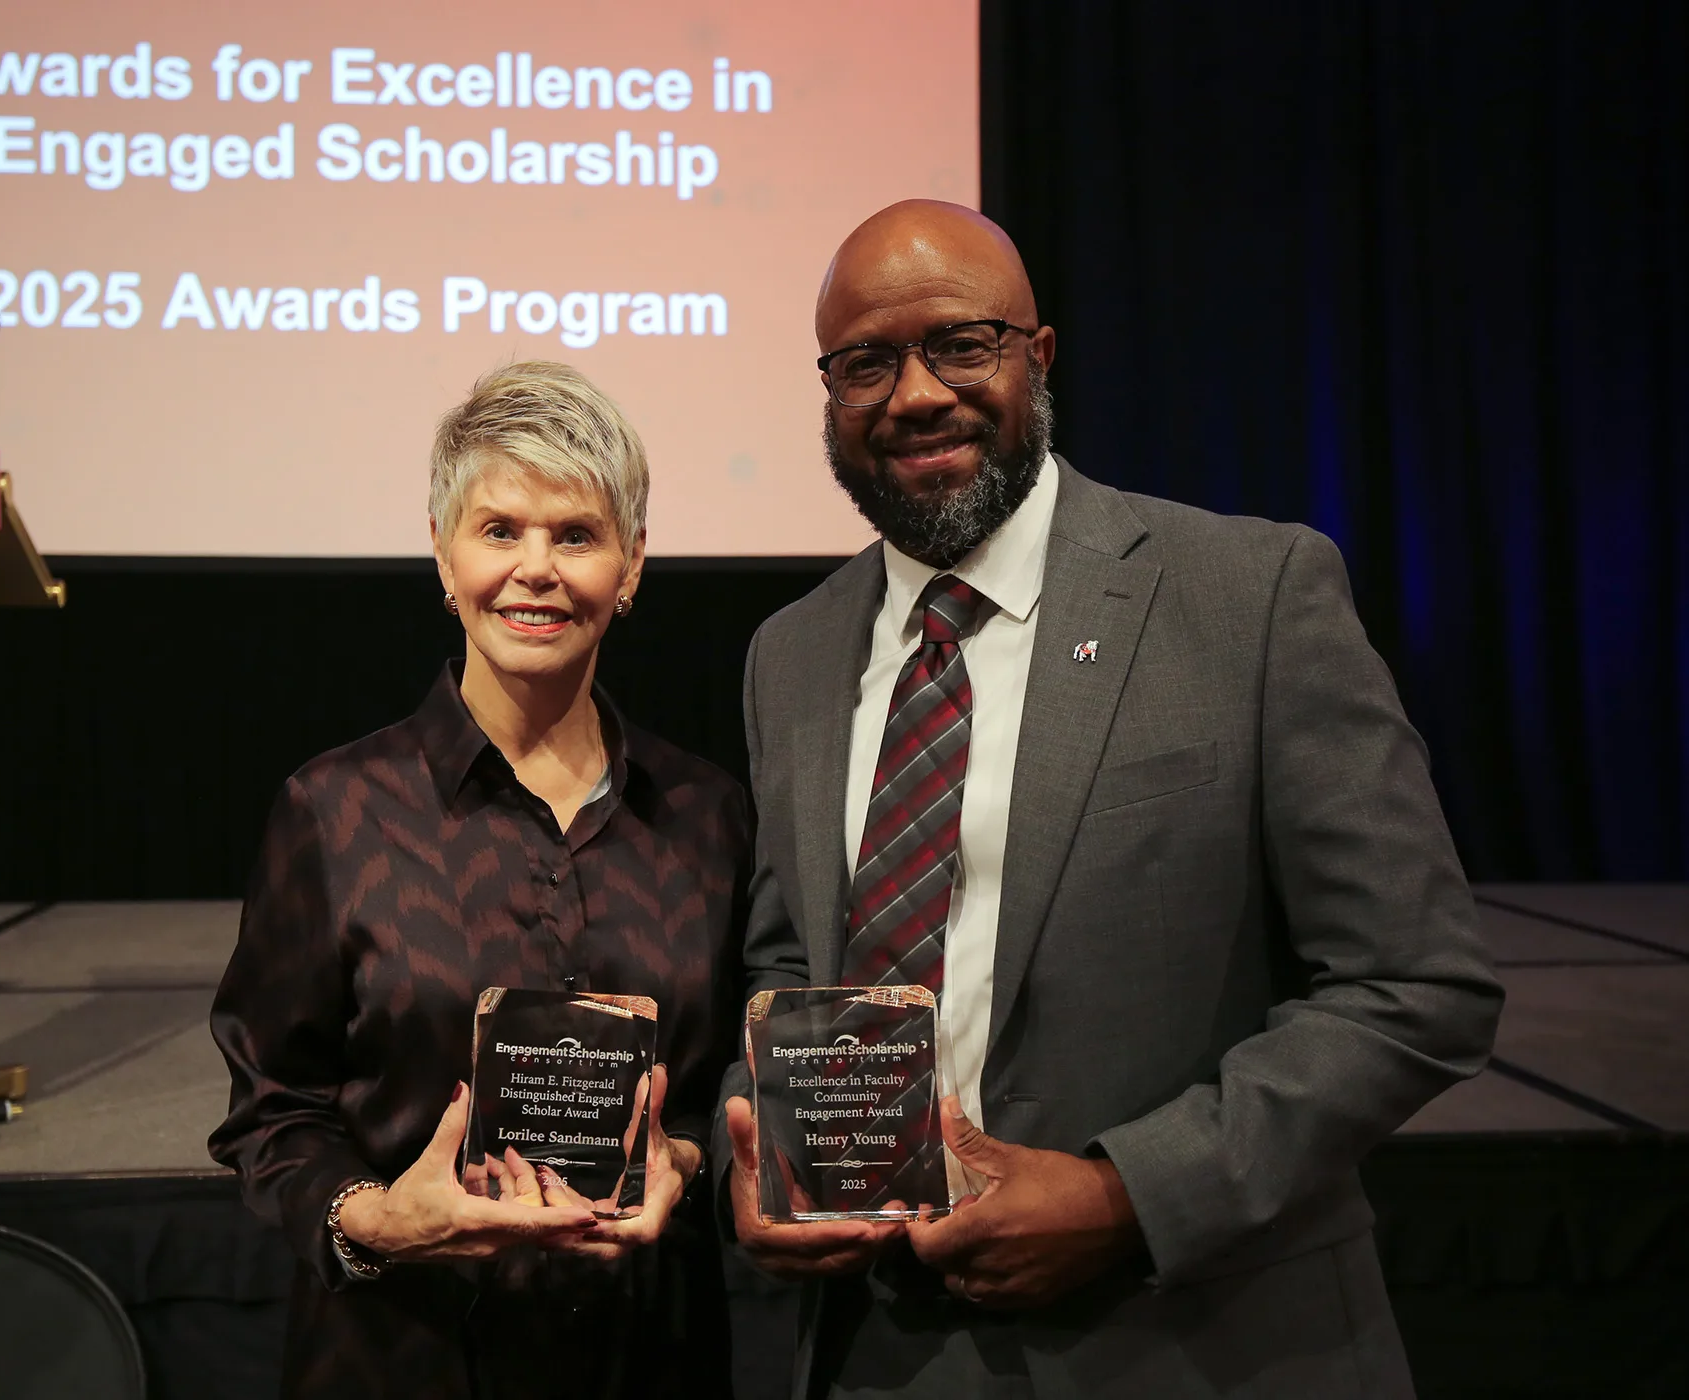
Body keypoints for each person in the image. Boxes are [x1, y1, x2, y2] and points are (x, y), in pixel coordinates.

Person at [715, 201, 1504, 1397]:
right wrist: (760, 1148)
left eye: (961, 344)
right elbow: (791, 969)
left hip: (1194, 1337)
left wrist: (1126, 1192)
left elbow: (1418, 984)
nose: (914, 394)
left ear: (1039, 354)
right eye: (865, 363)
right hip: (875, 1350)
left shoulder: (1251, 594)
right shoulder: (793, 652)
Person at [211, 362, 748, 1399]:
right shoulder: (334, 810)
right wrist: (373, 1217)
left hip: (649, 1355)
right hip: (401, 1355)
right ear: (443, 554)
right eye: (499, 529)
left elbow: (728, 1071)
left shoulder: (709, 812)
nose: (535, 569)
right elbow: (270, 1109)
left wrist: (680, 1162)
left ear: (632, 565)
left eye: (576, 535)